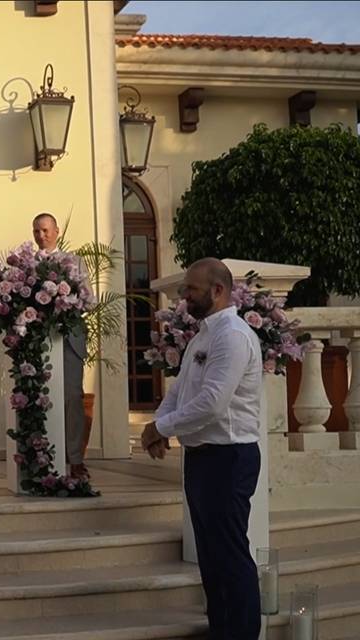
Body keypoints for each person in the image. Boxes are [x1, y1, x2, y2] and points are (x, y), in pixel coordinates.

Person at [140, 257, 262, 640]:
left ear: (218, 290)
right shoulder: (202, 336)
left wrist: (159, 428)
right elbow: (179, 390)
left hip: (229, 457)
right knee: (210, 558)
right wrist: (159, 426)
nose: (183, 296)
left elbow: (212, 402)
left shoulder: (232, 335)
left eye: (190, 289)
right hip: (202, 458)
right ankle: (221, 630)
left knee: (229, 555)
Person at [32, 212, 90, 479]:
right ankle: (40, 457)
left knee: (72, 399)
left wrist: (67, 302)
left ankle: (75, 459)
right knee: (38, 400)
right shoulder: (27, 265)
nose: (41, 236)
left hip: (69, 341)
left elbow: (89, 300)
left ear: (56, 232)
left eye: (45, 230)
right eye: (36, 231)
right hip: (37, 341)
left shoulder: (75, 262)